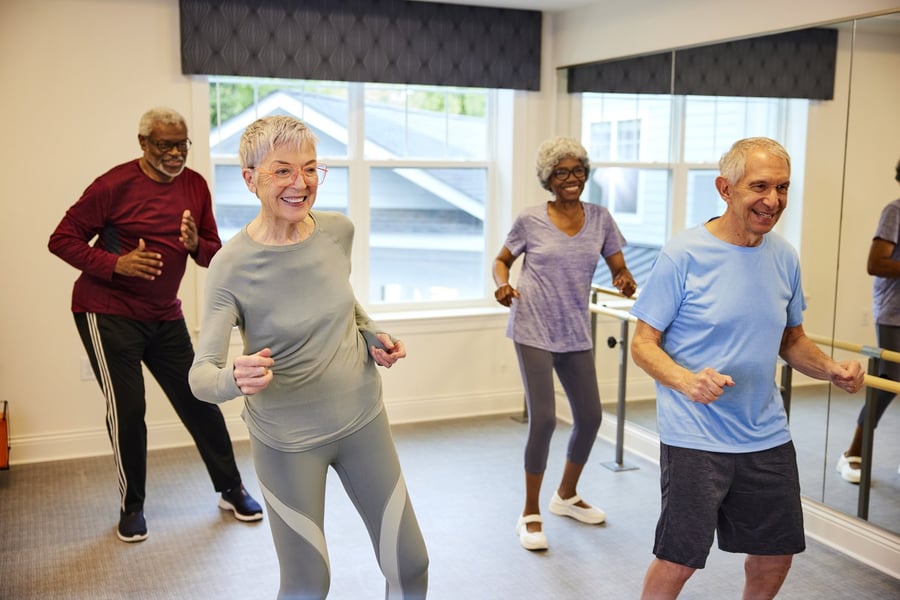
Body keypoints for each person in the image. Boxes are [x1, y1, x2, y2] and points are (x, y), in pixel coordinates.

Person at [188, 115, 428, 599]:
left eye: (311, 168)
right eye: (282, 170)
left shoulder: (338, 231)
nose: (301, 183)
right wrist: (235, 377)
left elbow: (344, 303)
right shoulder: (229, 266)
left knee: (410, 563)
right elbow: (200, 377)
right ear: (250, 178)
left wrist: (372, 334)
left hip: (363, 421)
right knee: (307, 585)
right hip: (288, 442)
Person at [629, 137, 865, 599]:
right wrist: (687, 381)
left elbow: (790, 339)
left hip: (766, 434)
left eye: (782, 187)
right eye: (759, 186)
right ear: (725, 188)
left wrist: (831, 369)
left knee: (775, 555)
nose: (772, 200)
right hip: (695, 435)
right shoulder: (683, 254)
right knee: (679, 559)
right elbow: (643, 344)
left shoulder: (784, 256)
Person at [48, 107, 263, 543]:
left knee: (200, 397)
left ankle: (231, 488)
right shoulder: (113, 185)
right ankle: (132, 507)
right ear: (143, 143)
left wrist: (195, 243)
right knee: (129, 410)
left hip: (164, 314)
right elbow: (61, 239)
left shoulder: (195, 185)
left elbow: (213, 254)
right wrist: (116, 264)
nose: (175, 153)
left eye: (182, 144)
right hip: (106, 312)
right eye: (165, 144)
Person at [492, 136, 637, 552]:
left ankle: (566, 495)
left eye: (577, 171)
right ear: (548, 179)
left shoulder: (601, 219)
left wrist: (624, 279)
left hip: (574, 330)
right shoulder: (530, 219)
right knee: (544, 420)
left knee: (590, 417)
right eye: (561, 173)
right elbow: (502, 260)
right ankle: (529, 512)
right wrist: (502, 284)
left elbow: (619, 267)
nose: (571, 179)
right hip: (533, 326)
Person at [837, 158, 900, 483]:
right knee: (889, 382)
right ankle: (853, 453)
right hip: (894, 315)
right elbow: (876, 264)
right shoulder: (895, 211)